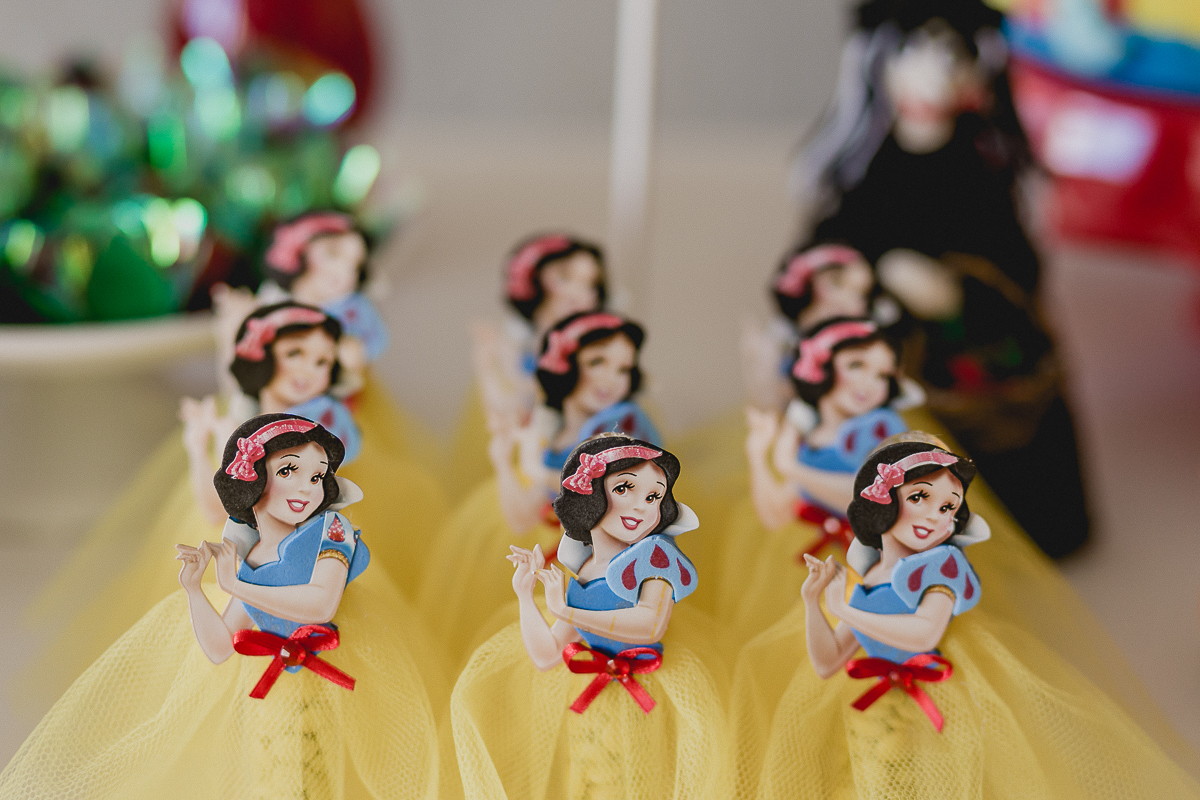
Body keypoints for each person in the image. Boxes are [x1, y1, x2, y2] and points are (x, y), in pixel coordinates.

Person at [0, 415, 453, 800]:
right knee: (273, 772)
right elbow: (219, 647)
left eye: (316, 476)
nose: (306, 488)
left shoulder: (332, 534)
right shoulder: (252, 558)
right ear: (253, 480)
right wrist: (196, 591)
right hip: (269, 690)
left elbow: (320, 603)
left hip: (334, 674)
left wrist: (238, 583)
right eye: (289, 471)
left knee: (328, 771)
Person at [731, 437, 1199, 799]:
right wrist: (815, 604)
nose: (936, 516)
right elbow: (829, 660)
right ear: (884, 501)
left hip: (944, 696)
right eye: (921, 498)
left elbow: (925, 631)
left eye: (949, 507)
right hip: (881, 710)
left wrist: (846, 608)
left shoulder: (942, 567)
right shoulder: (867, 572)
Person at [793, 0, 1090, 557]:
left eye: (955, 56)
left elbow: (1017, 260)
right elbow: (823, 251)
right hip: (884, 349)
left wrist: (961, 286)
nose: (937, 73)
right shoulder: (863, 162)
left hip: (971, 350)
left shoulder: (983, 161)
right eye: (915, 53)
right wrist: (875, 274)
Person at [451, 435, 731, 800]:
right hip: (590, 691)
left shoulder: (655, 560)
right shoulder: (582, 566)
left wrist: (567, 609)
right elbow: (548, 655)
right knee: (590, 774)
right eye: (625, 489)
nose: (642, 508)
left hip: (647, 688)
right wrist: (525, 597)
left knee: (644, 778)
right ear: (592, 495)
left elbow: (649, 625)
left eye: (653, 497)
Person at [418, 312, 660, 667]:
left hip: (605, 573)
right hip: (549, 554)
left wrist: (538, 470)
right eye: (597, 362)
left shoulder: (622, 438)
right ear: (566, 366)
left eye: (623, 369)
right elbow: (521, 518)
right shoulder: (545, 432)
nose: (611, 378)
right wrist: (505, 463)